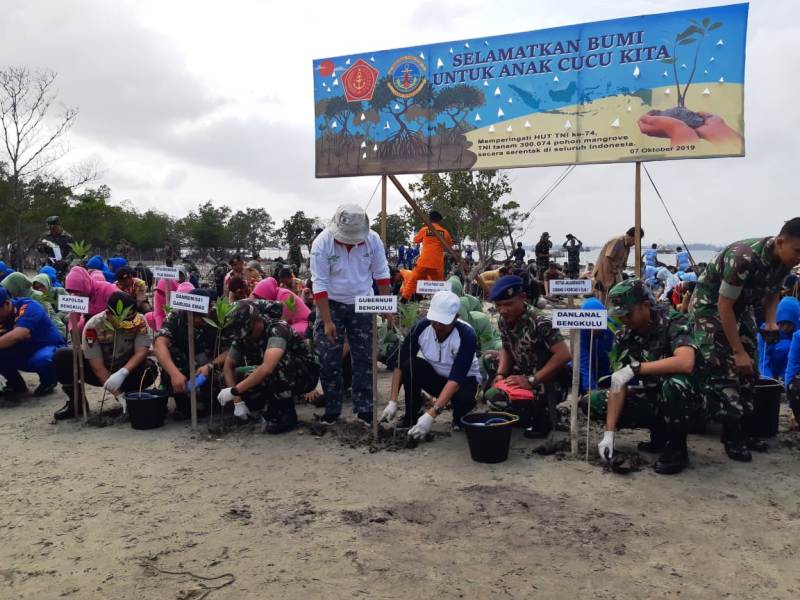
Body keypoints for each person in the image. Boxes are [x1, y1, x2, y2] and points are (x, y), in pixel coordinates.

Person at [690, 218, 800, 461]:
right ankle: (731, 434)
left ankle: (744, 426)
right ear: (780, 242)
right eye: (798, 251)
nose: (799, 258)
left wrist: (771, 322)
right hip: (710, 307)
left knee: (751, 364)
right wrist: (737, 351)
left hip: (741, 307)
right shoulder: (744, 258)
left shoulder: (785, 261)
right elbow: (723, 306)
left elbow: (772, 292)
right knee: (727, 364)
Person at [590, 279, 704, 475]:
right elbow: (618, 382)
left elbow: (686, 362)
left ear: (645, 306)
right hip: (654, 395)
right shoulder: (624, 335)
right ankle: (658, 434)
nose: (624, 320)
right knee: (595, 400)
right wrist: (609, 433)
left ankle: (677, 446)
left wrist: (636, 368)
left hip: (691, 399)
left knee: (674, 385)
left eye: (628, 314)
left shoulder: (674, 322)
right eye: (620, 316)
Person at [311, 204, 390, 425]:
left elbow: (381, 274)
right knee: (329, 359)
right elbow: (319, 284)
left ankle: (364, 409)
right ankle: (332, 409)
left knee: (364, 358)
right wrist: (326, 321)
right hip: (331, 303)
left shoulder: (373, 240)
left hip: (362, 302)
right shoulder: (322, 244)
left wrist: (385, 306)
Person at [381, 290, 481, 438]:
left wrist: (432, 414)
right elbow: (400, 363)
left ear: (456, 318)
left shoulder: (466, 335)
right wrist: (393, 401)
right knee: (410, 365)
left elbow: (456, 378)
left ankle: (458, 418)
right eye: (434, 320)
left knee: (464, 400)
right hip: (437, 380)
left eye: (443, 322)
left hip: (463, 383)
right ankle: (411, 416)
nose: (437, 326)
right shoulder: (421, 327)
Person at [484, 275, 571, 438]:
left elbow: (564, 355)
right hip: (522, 370)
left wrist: (531, 380)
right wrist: (501, 374)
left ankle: (546, 412)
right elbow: (506, 348)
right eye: (499, 305)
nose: (503, 310)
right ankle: (524, 410)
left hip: (546, 378)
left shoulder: (540, 321)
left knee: (530, 422)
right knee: (489, 362)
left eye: (509, 304)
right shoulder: (504, 320)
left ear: (523, 298)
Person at [218, 299, 319, 432]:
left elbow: (267, 368)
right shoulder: (244, 337)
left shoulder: (277, 329)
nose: (245, 338)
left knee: (274, 367)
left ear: (258, 321)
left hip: (305, 374)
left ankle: (286, 414)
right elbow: (228, 366)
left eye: (248, 332)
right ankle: (264, 407)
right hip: (277, 373)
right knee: (236, 374)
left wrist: (233, 391)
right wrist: (237, 400)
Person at [53, 292, 157, 419]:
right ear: (109, 314)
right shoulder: (94, 326)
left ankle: (132, 397)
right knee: (63, 356)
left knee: (149, 368)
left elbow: (141, 351)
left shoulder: (139, 321)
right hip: (100, 371)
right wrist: (118, 395)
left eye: (130, 319)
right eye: (123, 321)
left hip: (128, 369)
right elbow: (97, 367)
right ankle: (77, 403)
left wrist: (123, 372)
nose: (128, 324)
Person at [154, 288, 230, 420]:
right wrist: (174, 373)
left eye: (202, 316)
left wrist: (210, 366)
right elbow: (160, 343)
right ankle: (184, 403)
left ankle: (208, 401)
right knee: (172, 354)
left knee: (213, 402)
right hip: (185, 365)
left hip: (212, 364)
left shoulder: (218, 318)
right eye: (195, 316)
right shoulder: (177, 316)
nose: (199, 320)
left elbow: (229, 350)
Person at [0, 287, 65, 398]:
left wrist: (11, 336)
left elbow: (20, 334)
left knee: (42, 359)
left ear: (7, 303)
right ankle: (16, 384)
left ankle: (48, 381)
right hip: (22, 351)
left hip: (46, 347)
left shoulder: (29, 306)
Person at [401, 211, 454, 301]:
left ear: (429, 219)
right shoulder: (444, 232)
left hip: (423, 263)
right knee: (439, 287)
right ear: (439, 221)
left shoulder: (425, 229)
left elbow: (415, 240)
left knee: (412, 282)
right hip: (436, 264)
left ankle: (403, 302)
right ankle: (444, 304)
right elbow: (449, 245)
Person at [592, 227, 643, 301]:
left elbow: (622, 265)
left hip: (615, 274)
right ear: (633, 237)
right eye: (636, 241)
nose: (635, 243)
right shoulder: (617, 241)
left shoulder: (627, 247)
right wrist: (608, 279)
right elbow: (607, 260)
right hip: (604, 274)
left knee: (615, 295)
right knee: (603, 297)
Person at [63, 266, 118, 334]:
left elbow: (120, 309)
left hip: (111, 324)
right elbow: (74, 317)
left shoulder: (107, 289)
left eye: (78, 291)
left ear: (85, 284)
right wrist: (72, 330)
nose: (76, 295)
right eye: (72, 291)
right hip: (91, 327)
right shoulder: (76, 297)